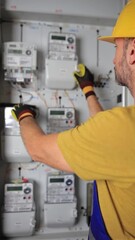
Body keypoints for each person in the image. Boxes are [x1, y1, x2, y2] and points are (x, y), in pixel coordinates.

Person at [11, 0, 135, 239]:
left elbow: (38, 150)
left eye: (116, 48)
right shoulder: (123, 128)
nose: (112, 60)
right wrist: (88, 89)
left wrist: (24, 114)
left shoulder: (122, 130)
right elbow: (108, 136)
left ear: (132, 52)